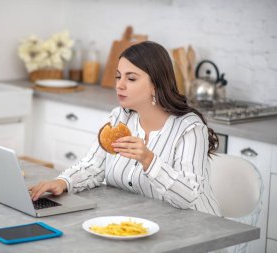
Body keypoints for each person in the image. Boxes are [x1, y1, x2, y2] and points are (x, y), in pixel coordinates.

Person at [30, 41, 221, 216]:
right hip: (141, 222)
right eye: (118, 76)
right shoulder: (120, 117)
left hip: (197, 229)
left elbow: (189, 196)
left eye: (131, 79)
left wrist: (149, 160)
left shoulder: (189, 128)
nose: (119, 85)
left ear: (156, 84)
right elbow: (94, 166)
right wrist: (62, 182)